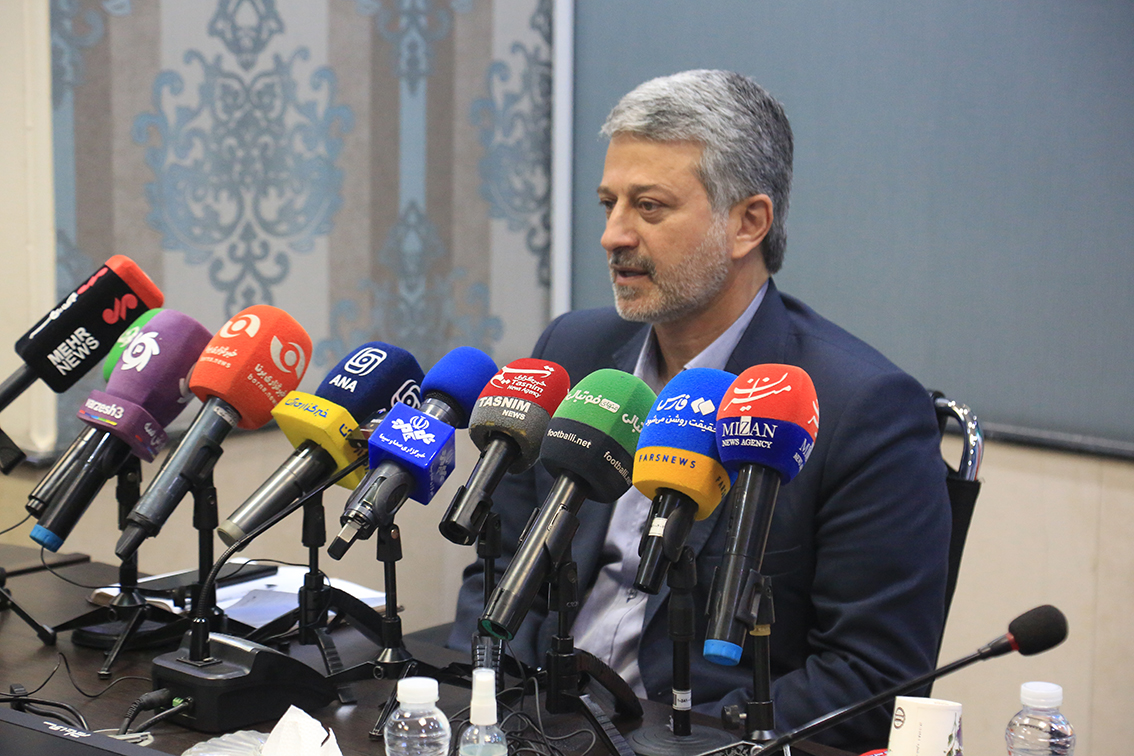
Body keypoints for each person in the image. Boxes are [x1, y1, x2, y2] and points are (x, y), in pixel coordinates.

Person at [449, 69, 951, 751]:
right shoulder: (573, 350)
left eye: (649, 207)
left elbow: (873, 680)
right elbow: (500, 566)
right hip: (531, 720)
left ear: (748, 223)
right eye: (608, 204)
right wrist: (488, 704)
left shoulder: (863, 409)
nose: (613, 235)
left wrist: (679, 740)